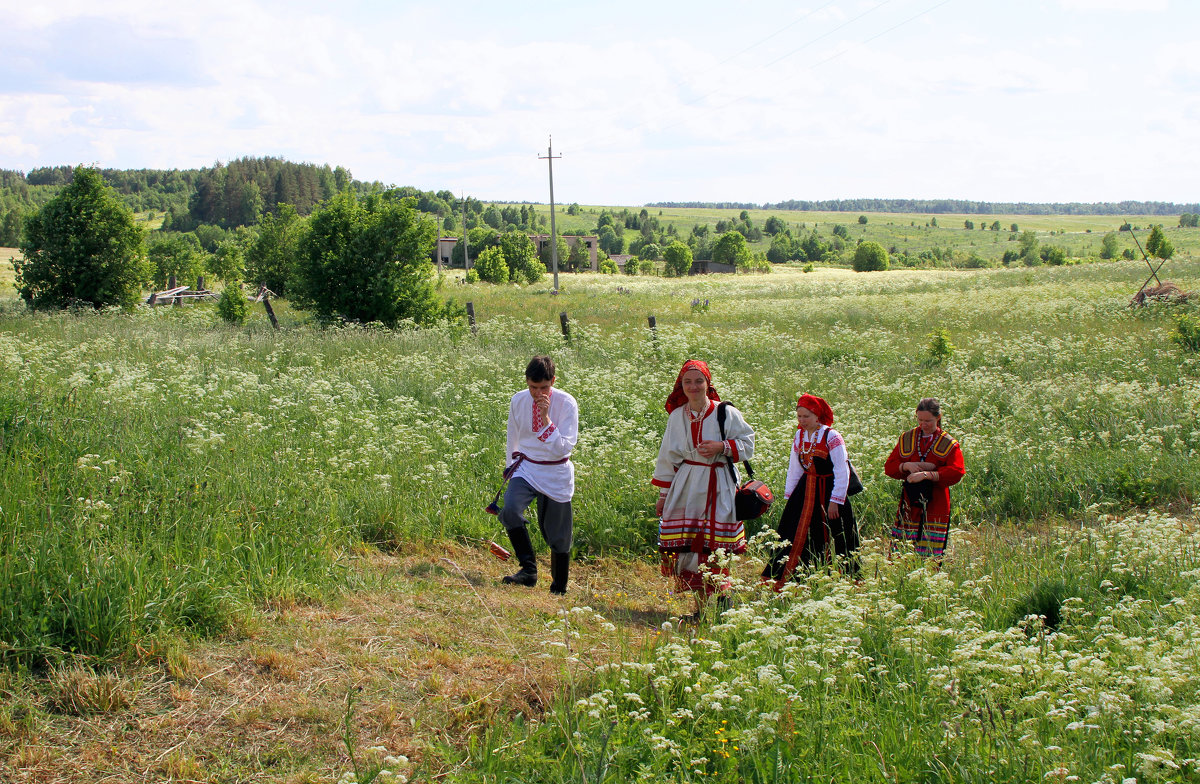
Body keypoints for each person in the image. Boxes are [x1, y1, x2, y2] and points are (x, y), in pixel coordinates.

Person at [652, 360, 754, 610]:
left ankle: (722, 601)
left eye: (699, 381)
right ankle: (699, 607)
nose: (693, 386)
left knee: (715, 545)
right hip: (686, 485)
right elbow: (668, 458)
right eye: (688, 382)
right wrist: (664, 496)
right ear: (681, 386)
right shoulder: (677, 416)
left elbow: (748, 445)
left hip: (718, 484)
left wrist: (722, 447)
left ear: (708, 384)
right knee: (688, 546)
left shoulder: (725, 413)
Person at [497, 355, 579, 595]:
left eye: (544, 387)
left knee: (558, 534)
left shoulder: (567, 403)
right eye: (533, 387)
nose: (537, 393)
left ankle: (559, 587)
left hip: (556, 471)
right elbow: (513, 435)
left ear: (553, 381)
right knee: (510, 511)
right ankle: (528, 571)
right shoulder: (518, 400)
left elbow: (564, 447)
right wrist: (510, 466)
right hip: (526, 467)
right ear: (526, 382)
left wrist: (545, 419)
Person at [762, 394, 859, 587]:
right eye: (799, 417)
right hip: (805, 490)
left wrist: (836, 500)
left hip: (828, 490)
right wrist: (791, 498)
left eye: (806, 416)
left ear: (817, 416)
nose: (802, 421)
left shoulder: (831, 436)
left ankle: (842, 578)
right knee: (794, 530)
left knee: (838, 532)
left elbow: (842, 470)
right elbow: (795, 468)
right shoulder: (799, 436)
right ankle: (797, 577)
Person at [884, 397, 965, 561]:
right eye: (920, 420)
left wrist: (929, 474)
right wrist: (906, 466)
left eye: (928, 420)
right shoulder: (908, 438)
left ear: (938, 417)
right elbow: (889, 467)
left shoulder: (948, 443)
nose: (923, 424)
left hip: (936, 501)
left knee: (930, 552)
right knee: (904, 548)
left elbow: (957, 471)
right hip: (910, 500)